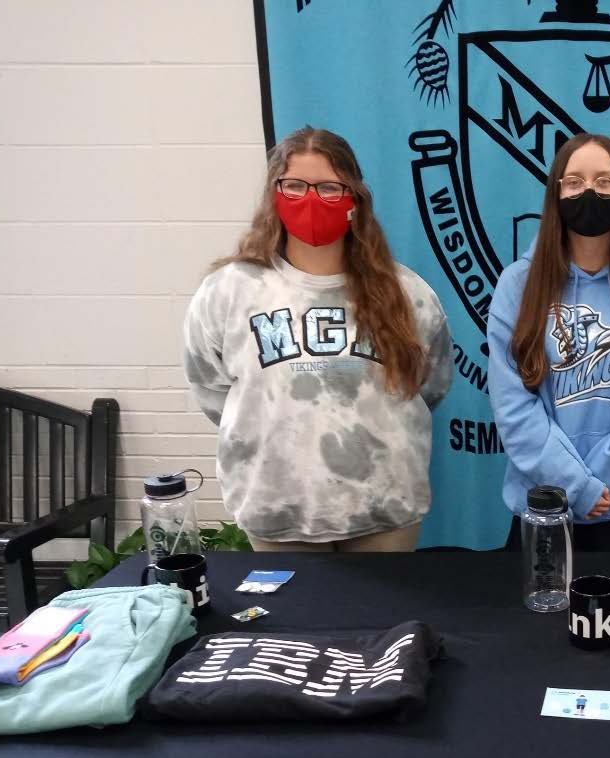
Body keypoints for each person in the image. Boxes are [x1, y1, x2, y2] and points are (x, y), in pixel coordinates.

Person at [183, 127, 452, 552]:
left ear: (354, 199)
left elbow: (430, 385)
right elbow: (213, 391)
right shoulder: (228, 291)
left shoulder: (407, 293)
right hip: (278, 507)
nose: (310, 198)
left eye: (329, 187)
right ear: (274, 193)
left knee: (382, 620)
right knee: (290, 618)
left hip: (383, 508)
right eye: (294, 185)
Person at [488, 133, 610, 552]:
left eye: (604, 181)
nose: (589, 192)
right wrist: (573, 486)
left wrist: (599, 483)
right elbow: (512, 404)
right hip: (542, 509)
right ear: (555, 194)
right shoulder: (517, 285)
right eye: (575, 182)